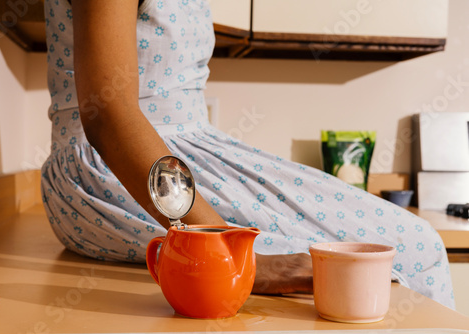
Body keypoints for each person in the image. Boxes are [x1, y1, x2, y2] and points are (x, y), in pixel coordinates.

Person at [41, 0, 455, 308]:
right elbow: (109, 116)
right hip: (115, 169)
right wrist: (236, 254)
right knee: (413, 249)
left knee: (409, 247)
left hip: (158, 158)